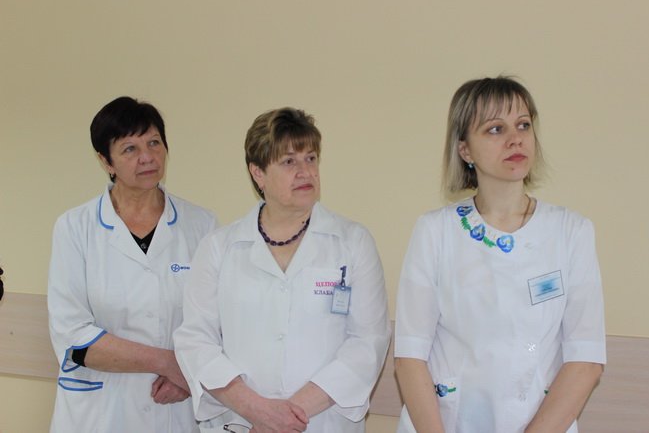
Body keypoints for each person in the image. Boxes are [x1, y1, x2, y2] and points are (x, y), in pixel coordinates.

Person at [394, 77, 606, 433]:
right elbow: (409, 357)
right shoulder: (436, 231)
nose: (515, 139)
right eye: (495, 129)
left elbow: (586, 360)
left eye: (523, 125)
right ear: (465, 150)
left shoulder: (571, 231)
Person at [174, 107, 391, 433]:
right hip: (241, 422)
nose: (305, 172)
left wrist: (287, 416)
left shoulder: (353, 242)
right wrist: (257, 410)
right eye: (289, 161)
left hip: (322, 422)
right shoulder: (219, 247)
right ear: (258, 173)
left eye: (311, 158)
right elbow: (196, 340)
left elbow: (367, 342)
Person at [47, 96, 217, 433]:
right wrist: (170, 364)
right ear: (105, 160)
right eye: (129, 149)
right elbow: (73, 335)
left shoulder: (202, 226)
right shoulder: (75, 228)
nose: (147, 157)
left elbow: (216, 323)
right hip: (100, 412)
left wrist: (189, 376)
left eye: (154, 143)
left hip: (174, 408)